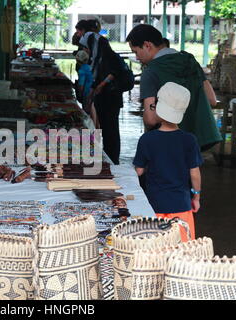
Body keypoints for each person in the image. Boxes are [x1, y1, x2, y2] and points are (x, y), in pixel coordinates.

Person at [126, 24, 221, 151]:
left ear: (147, 45)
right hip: (199, 139)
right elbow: (211, 100)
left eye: (136, 52)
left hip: (167, 144)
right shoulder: (190, 60)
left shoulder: (151, 71)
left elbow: (150, 120)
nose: (137, 57)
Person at [133, 82, 202, 242]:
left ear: (158, 108)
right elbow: (195, 173)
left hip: (154, 205)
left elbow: (139, 171)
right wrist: (196, 197)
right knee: (182, 251)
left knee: (157, 248)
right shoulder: (189, 140)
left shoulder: (147, 139)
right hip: (182, 206)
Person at [89, 39, 125, 164]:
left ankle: (112, 158)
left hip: (110, 98)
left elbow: (113, 73)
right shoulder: (100, 57)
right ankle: (110, 156)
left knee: (111, 130)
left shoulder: (109, 57)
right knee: (108, 129)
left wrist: (101, 85)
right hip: (105, 98)